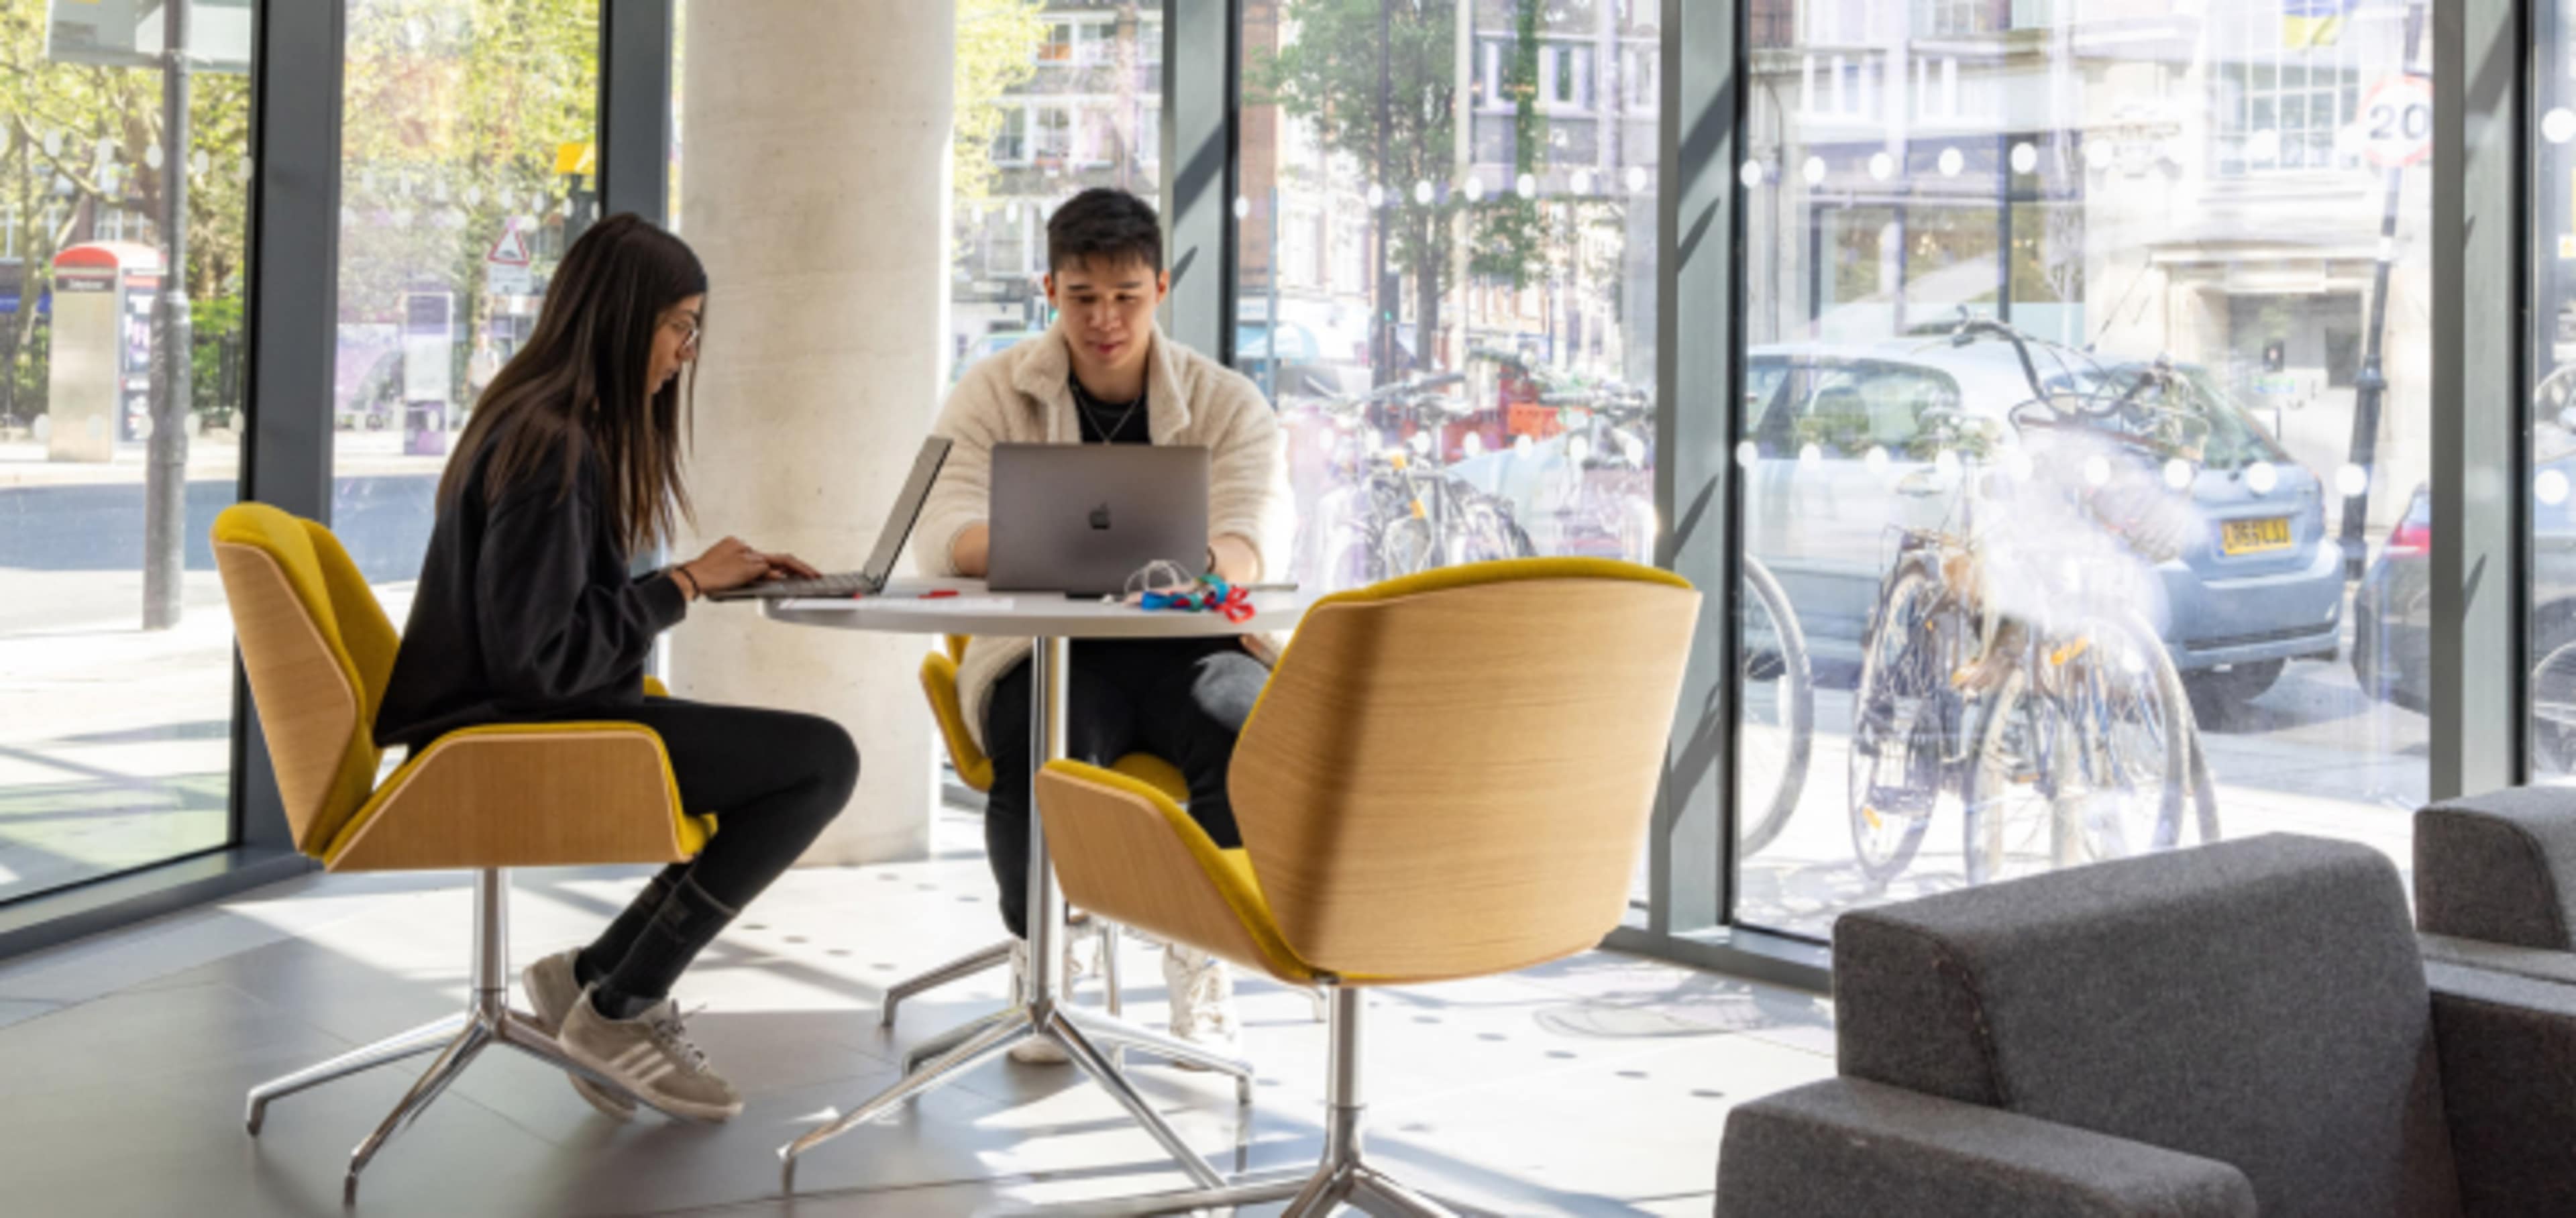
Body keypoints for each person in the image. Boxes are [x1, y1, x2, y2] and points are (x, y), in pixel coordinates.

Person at [373, 214, 860, 1123]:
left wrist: (696, 582)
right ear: (623, 320)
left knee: (802, 760)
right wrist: (678, 585)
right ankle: (620, 1004)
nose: (686, 351)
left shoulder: (541, 424)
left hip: (507, 717)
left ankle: (597, 978)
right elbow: (540, 660)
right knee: (820, 762)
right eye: (680, 325)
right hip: (503, 736)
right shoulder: (552, 447)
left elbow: (538, 627)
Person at [916, 187, 1291, 1064]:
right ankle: (1048, 961)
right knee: (1047, 751)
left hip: (1185, 645)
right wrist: (1022, 546)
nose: (1105, 319)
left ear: (1160, 287)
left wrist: (1207, 567)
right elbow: (943, 527)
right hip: (1049, 650)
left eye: (1126, 296)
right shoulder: (993, 392)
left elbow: (1255, 532)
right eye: (1083, 297)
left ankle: (1204, 954)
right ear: (1051, 289)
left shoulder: (1224, 400)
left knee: (1247, 732)